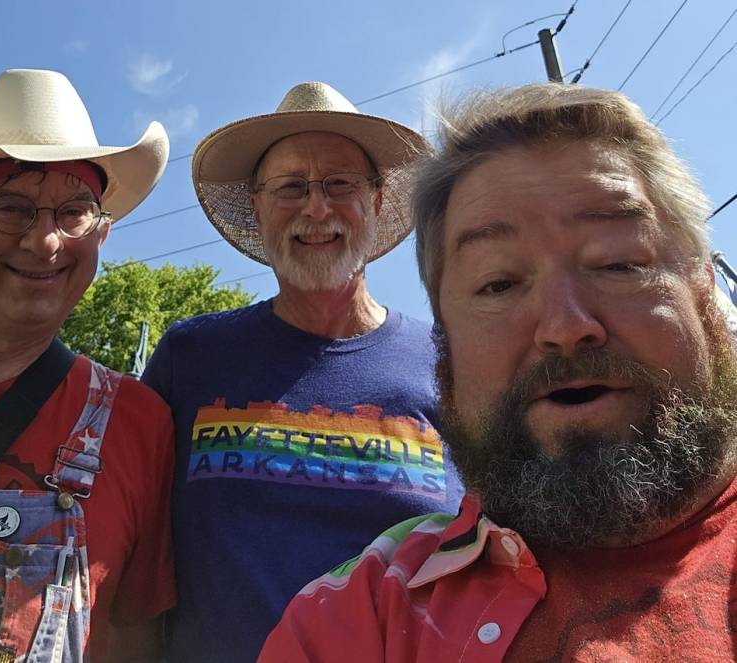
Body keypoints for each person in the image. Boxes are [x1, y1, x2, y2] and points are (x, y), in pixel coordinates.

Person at [259, 83, 737, 662]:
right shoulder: (360, 615)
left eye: (618, 264)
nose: (565, 326)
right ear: (446, 350)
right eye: (499, 283)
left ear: (705, 290)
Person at [142, 81, 464, 662]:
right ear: (258, 208)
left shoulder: (449, 362)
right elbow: (129, 555)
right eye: (291, 188)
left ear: (376, 201)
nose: (316, 208)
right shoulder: (190, 357)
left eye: (340, 184)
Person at [0, 69, 175, 662]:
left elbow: (130, 637)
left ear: (100, 236)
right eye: (11, 209)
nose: (46, 241)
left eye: (74, 212)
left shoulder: (138, 422)